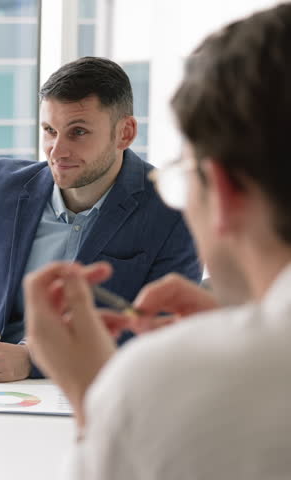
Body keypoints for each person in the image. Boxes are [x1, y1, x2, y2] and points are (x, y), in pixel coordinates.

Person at [24, 4, 291, 478]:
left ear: (223, 191)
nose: (57, 149)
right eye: (49, 131)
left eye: (184, 179)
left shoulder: (159, 387)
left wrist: (98, 405)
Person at [0, 57, 201, 380]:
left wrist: (35, 360)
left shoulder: (173, 211)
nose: (57, 151)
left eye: (78, 132)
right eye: (49, 130)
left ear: (125, 133)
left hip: (98, 390)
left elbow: (161, 332)